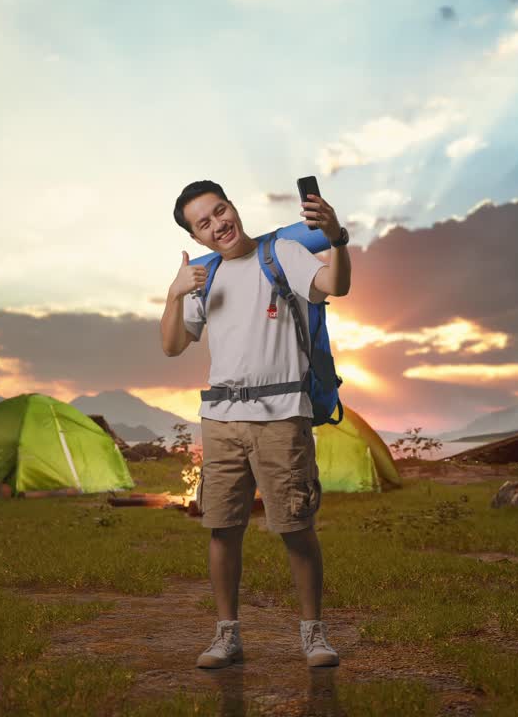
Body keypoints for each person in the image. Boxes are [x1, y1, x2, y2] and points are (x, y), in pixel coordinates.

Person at [159, 179, 352, 669]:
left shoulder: (281, 252)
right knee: (223, 530)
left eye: (220, 211)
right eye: (204, 223)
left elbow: (336, 285)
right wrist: (173, 294)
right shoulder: (205, 275)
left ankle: (313, 634)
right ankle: (227, 636)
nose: (218, 224)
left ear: (233, 207)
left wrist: (338, 239)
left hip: (282, 417)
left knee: (295, 526)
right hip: (221, 421)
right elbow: (172, 345)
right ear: (197, 237)